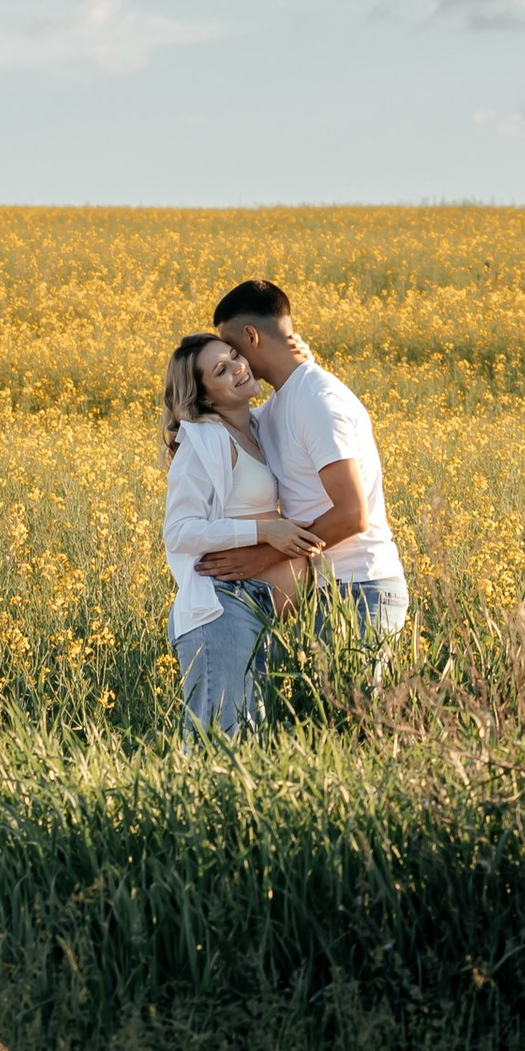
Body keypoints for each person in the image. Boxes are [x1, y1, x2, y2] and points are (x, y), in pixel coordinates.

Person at [205, 277, 410, 640]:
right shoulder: (276, 408)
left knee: (356, 701)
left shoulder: (318, 400)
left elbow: (352, 514)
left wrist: (265, 557)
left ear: (252, 336)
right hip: (326, 591)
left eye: (233, 349)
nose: (233, 363)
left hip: (360, 589)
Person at [160, 330, 321, 731]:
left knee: (245, 743)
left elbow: (298, 402)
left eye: (235, 355)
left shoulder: (256, 425)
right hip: (222, 609)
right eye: (221, 369)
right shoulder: (205, 440)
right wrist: (265, 532)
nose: (238, 367)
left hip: (255, 610)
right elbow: (179, 532)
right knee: (218, 741)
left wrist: (303, 363)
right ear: (205, 398)